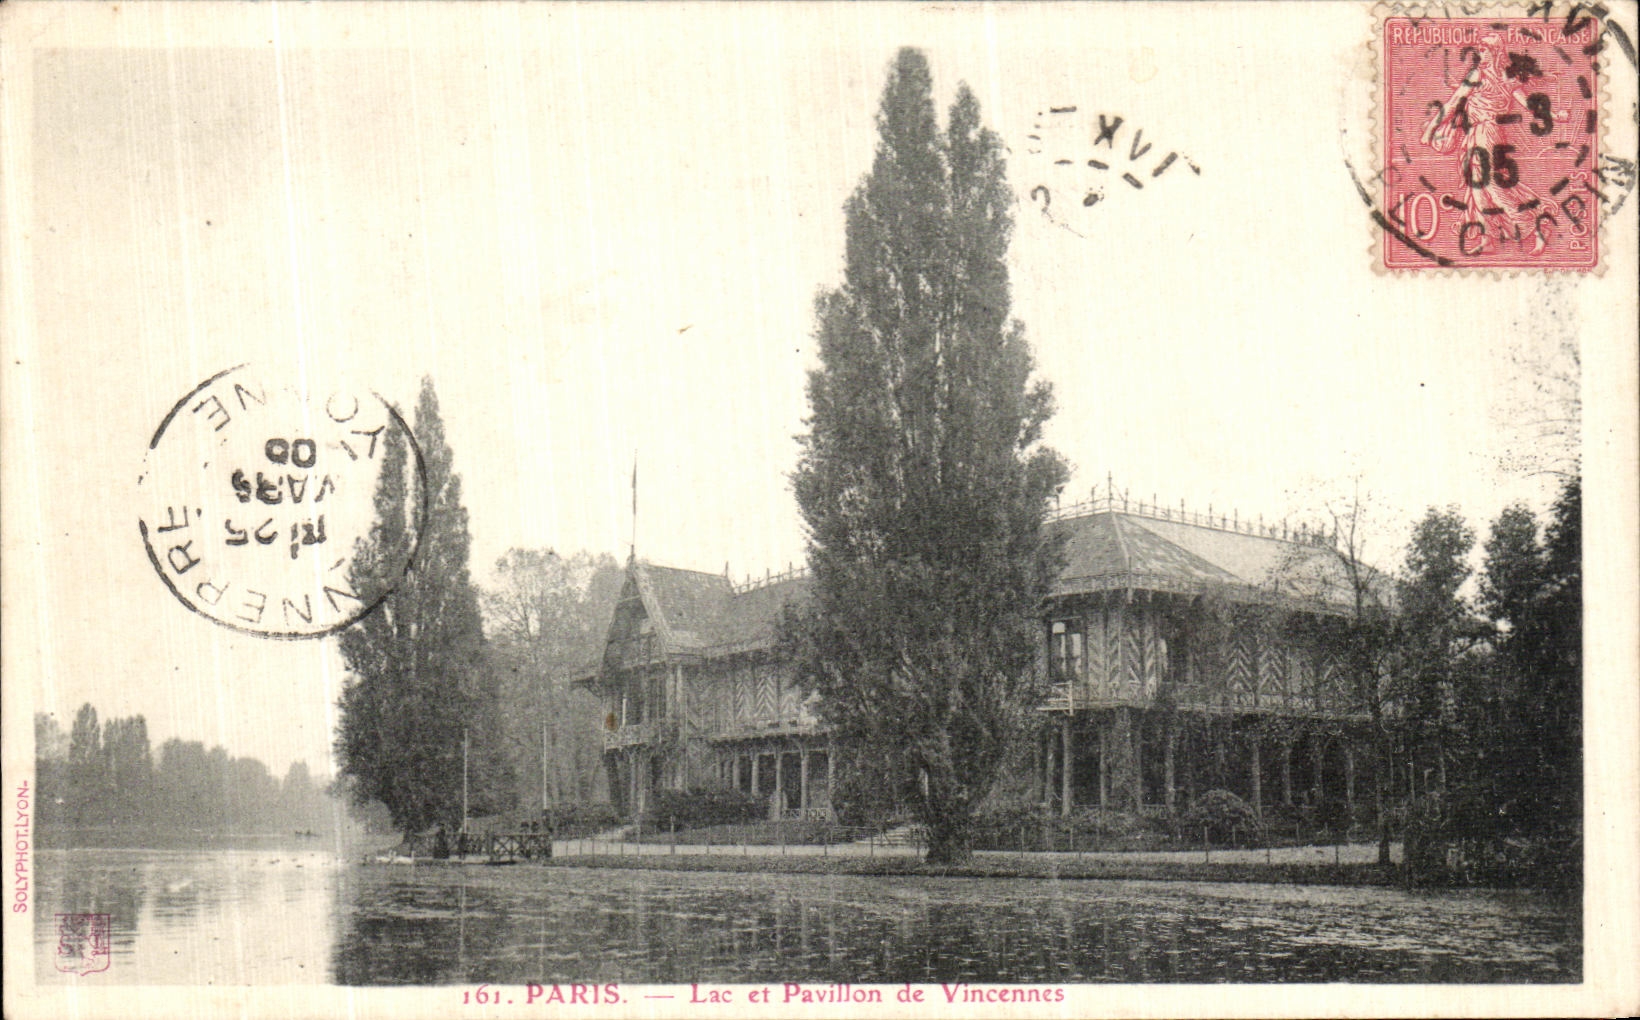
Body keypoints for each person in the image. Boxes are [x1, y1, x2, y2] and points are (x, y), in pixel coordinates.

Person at [1421, 34, 1564, 256]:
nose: (1481, 54)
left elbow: (1454, 103)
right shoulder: (1504, 77)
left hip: (1486, 133)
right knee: (1477, 187)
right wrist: (1552, 115)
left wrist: (1431, 130)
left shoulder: (1481, 75)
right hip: (1481, 133)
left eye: (1485, 50)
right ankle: (1488, 238)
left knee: (1493, 186)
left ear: (1496, 52)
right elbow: (1528, 104)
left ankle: (1535, 226)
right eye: (1480, 49)